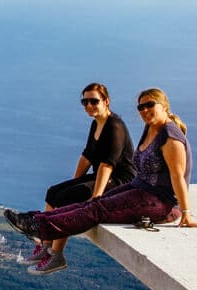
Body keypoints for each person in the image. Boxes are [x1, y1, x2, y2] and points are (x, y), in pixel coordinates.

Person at [4, 88, 197, 274]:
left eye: (150, 105)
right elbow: (88, 155)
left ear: (164, 106)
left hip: (160, 203)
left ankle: (39, 227)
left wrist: (185, 214)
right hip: (140, 189)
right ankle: (37, 221)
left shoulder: (170, 137)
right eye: (141, 107)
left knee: (97, 210)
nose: (144, 110)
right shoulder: (151, 128)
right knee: (93, 203)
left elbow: (177, 177)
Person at [20, 82, 136, 275]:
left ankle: (57, 255)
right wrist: (74, 182)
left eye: (94, 101)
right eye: (85, 102)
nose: (89, 105)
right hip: (104, 176)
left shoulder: (115, 126)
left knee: (70, 197)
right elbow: (87, 156)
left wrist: (96, 197)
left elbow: (108, 164)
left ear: (106, 101)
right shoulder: (96, 123)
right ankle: (46, 244)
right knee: (54, 192)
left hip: (120, 181)